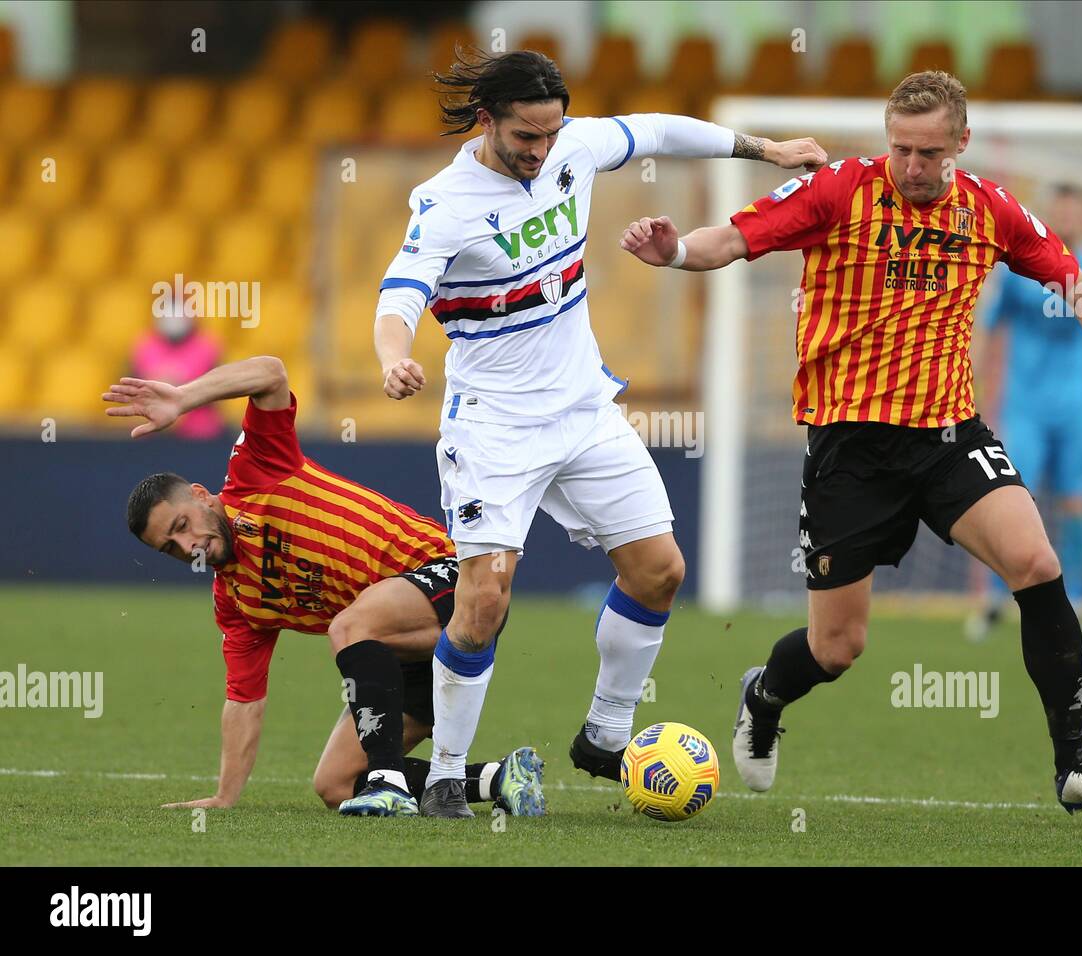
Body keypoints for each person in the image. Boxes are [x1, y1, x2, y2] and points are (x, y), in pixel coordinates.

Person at [619, 71, 1082, 815]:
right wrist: (672, 252)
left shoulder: (992, 210)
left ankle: (1073, 765)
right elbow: (733, 236)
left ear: (961, 142)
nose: (912, 166)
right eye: (900, 149)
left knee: (1036, 562)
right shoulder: (839, 190)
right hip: (850, 449)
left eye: (927, 152)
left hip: (949, 438)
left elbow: (1081, 287)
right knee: (838, 648)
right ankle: (763, 696)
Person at [372, 47, 827, 816]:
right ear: (487, 122)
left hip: (585, 410)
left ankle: (606, 735)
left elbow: (655, 132)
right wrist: (393, 356)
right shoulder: (445, 201)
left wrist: (769, 150)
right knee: (484, 602)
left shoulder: (571, 147)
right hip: (497, 429)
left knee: (660, 571)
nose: (542, 152)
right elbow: (401, 290)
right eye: (526, 138)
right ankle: (447, 773)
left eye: (552, 136)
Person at [105, 355, 544, 818]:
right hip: (397, 651)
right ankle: (499, 777)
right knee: (336, 785)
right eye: (169, 546)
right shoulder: (236, 603)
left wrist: (182, 397)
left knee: (350, 626)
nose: (186, 544)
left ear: (200, 494)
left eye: (181, 525)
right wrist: (224, 795)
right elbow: (243, 700)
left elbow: (271, 372)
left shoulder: (255, 470)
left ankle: (388, 783)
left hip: (451, 579)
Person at [965, 184, 1082, 640]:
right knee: (1013, 500)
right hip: (1024, 404)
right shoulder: (1019, 269)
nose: (1067, 217)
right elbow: (988, 329)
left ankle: (1078, 603)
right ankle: (997, 597)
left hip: (1075, 407)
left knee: (1076, 503)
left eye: (1075, 209)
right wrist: (972, 386)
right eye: (1060, 209)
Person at [131, 301, 223, 440]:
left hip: (198, 431)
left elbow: (215, 389)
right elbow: (134, 385)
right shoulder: (144, 345)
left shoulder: (207, 345)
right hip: (152, 430)